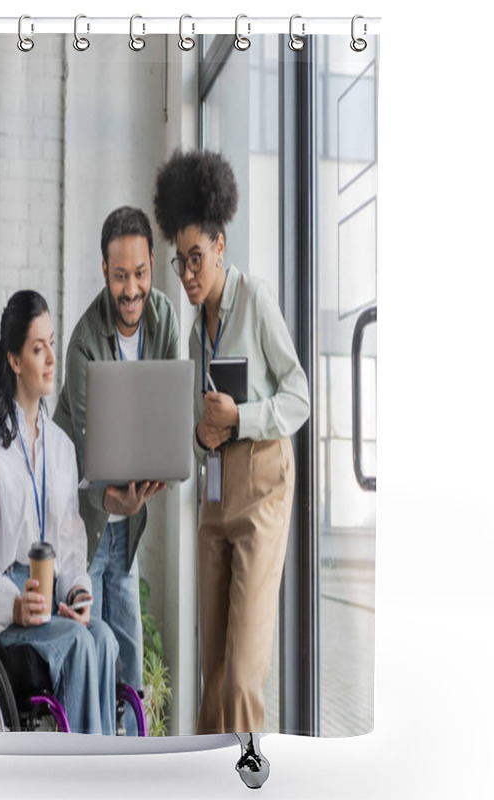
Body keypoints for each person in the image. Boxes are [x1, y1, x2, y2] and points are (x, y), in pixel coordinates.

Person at [152, 150, 310, 734]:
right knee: (213, 676)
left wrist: (240, 417)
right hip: (214, 503)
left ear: (221, 246)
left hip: (262, 490)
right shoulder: (196, 337)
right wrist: (199, 434)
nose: (189, 273)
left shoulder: (257, 300)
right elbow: (199, 446)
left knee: (243, 678)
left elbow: (300, 397)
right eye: (181, 261)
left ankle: (247, 779)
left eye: (197, 258)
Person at [0, 289, 119, 735]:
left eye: (52, 343)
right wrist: (14, 602)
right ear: (14, 360)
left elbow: (70, 550)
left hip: (51, 606)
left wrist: (78, 595)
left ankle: (105, 774)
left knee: (102, 639)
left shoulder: (63, 449)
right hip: (6, 615)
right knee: (77, 644)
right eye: (37, 348)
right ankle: (86, 779)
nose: (51, 358)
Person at [53, 206, 179, 724]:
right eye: (121, 275)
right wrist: (112, 497)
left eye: (141, 273)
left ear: (152, 265)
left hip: (127, 517)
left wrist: (159, 471)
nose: (132, 289)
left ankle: (130, 768)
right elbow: (88, 449)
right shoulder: (85, 340)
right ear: (105, 271)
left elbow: (171, 409)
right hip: (86, 515)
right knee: (94, 649)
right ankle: (97, 764)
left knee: (127, 653)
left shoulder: (165, 317)